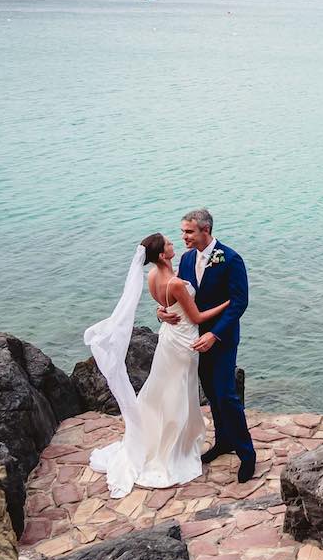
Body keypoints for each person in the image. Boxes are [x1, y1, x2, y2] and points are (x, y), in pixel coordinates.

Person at [83, 232, 231, 495]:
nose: (175, 243)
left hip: (169, 339)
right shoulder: (174, 283)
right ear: (163, 255)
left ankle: (162, 438)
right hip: (185, 342)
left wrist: (162, 312)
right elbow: (195, 317)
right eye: (169, 244)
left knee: (166, 390)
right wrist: (226, 305)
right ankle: (174, 448)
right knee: (178, 393)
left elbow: (165, 306)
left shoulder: (152, 276)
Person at [159, 208, 254, 481]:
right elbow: (179, 296)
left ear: (206, 231)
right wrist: (161, 312)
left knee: (226, 394)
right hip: (194, 340)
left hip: (221, 339)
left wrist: (215, 335)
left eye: (189, 231)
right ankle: (224, 442)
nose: (184, 237)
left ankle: (247, 454)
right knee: (212, 394)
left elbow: (239, 303)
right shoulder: (187, 259)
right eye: (183, 232)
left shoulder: (231, 259)